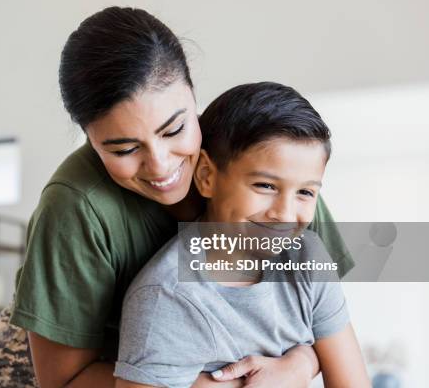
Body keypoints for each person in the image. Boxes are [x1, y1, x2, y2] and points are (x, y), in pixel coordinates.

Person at [0, 7, 354, 388]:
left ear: (193, 97)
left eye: (175, 129)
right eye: (124, 149)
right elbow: (63, 379)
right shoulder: (76, 205)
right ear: (90, 140)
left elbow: (320, 317)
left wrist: (300, 364)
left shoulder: (266, 174)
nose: (160, 166)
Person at [114, 82, 370, 388]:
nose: (285, 214)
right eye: (265, 186)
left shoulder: (308, 258)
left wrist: (303, 361)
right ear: (207, 176)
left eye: (305, 192)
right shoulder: (166, 298)